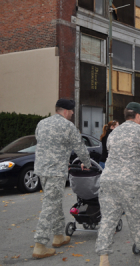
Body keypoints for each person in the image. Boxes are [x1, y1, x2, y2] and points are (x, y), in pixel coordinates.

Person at [95, 102, 140, 266]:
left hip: (107, 181)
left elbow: (109, 151)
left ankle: (103, 259)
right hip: (130, 183)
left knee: (108, 220)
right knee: (137, 218)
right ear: (139, 116)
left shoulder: (113, 133)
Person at [32, 99, 91, 259]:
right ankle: (40, 244)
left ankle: (59, 236)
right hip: (56, 171)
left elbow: (39, 140)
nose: (72, 114)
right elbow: (80, 147)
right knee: (50, 205)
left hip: (41, 170)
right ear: (66, 111)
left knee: (54, 201)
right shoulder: (68, 126)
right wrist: (86, 163)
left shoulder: (42, 123)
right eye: (72, 111)